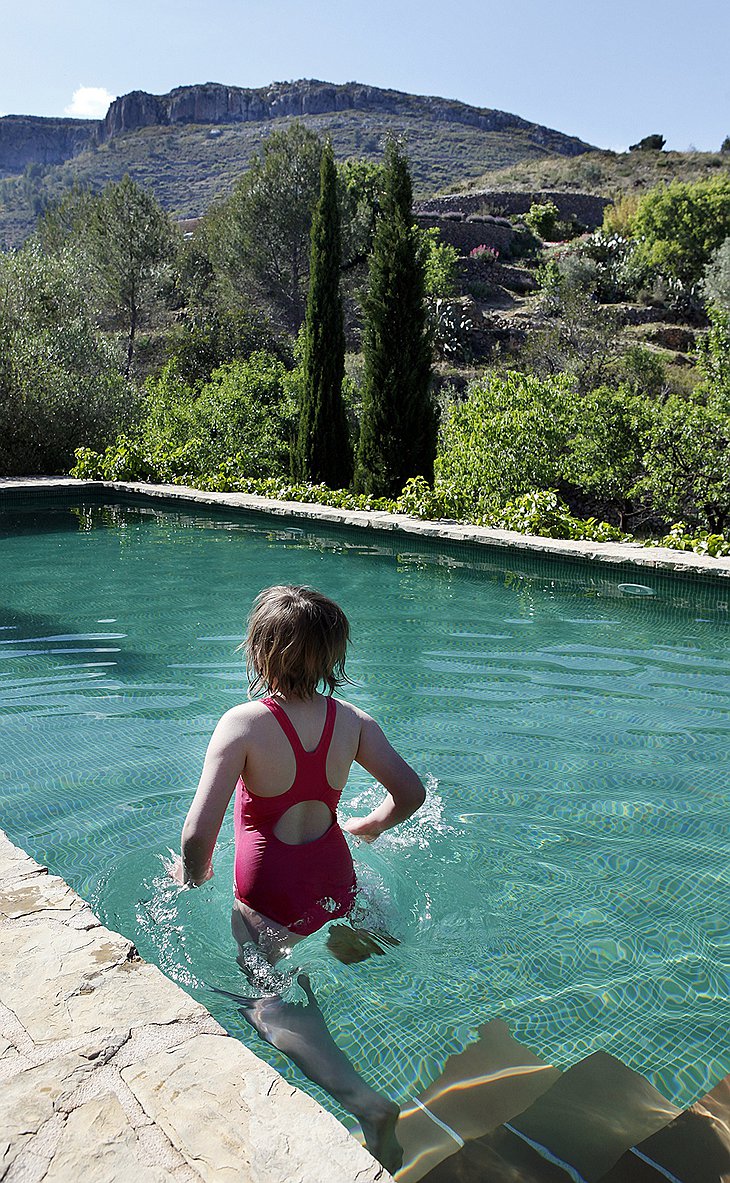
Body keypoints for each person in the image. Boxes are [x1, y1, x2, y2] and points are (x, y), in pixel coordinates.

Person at [168, 584, 426, 1174]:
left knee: (267, 1001)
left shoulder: (244, 724)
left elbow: (195, 836)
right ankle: (352, 942)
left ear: (258, 652)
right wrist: (368, 827)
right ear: (334, 657)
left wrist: (193, 876)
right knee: (350, 926)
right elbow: (410, 793)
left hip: (271, 894)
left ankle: (364, 1102)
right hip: (336, 874)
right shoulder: (353, 721)